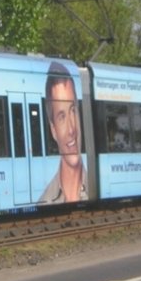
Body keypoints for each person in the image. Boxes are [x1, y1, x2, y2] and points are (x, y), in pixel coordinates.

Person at [39, 62, 88, 203]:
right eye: (61, 117)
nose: (71, 129)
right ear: (53, 130)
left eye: (73, 110)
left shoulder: (97, 186)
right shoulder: (45, 202)